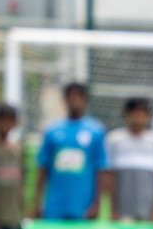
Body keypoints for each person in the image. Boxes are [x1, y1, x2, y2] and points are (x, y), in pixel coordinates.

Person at [34, 83, 106, 221]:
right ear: (65, 100)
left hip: (83, 207)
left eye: (78, 96)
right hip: (55, 207)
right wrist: (37, 203)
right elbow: (43, 168)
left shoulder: (96, 131)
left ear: (85, 100)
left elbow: (100, 170)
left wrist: (97, 204)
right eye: (70, 96)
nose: (74, 100)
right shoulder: (52, 130)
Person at [106, 98, 153, 222]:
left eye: (141, 112)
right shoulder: (114, 140)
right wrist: (113, 209)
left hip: (149, 210)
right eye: (134, 112)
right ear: (126, 115)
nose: (137, 116)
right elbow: (110, 177)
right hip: (123, 210)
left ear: (148, 116)